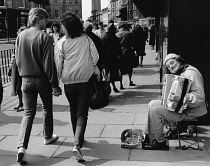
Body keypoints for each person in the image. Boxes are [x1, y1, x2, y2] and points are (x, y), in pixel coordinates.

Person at [15, 8, 62, 165]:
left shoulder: (20, 36)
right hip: (42, 80)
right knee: (47, 108)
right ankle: (47, 136)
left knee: (28, 113)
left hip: (25, 80)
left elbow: (17, 61)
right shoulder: (44, 36)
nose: (45, 23)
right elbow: (49, 64)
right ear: (39, 19)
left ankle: (21, 147)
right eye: (44, 20)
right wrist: (54, 84)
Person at [54, 12, 100, 161]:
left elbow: (58, 65)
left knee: (74, 111)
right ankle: (77, 143)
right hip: (85, 81)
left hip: (68, 82)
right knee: (82, 113)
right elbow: (96, 57)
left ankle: (78, 139)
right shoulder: (86, 39)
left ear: (66, 27)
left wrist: (57, 83)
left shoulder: (60, 43)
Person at [143, 53, 207, 150]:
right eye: (168, 66)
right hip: (182, 108)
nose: (171, 66)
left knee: (154, 110)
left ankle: (160, 142)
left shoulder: (190, 73)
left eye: (172, 63)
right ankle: (150, 134)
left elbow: (200, 97)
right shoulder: (182, 72)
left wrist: (182, 97)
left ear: (179, 61)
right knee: (152, 104)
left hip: (190, 112)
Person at [7, 26, 28, 112]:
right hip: (17, 65)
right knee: (18, 86)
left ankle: (26, 103)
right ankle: (20, 102)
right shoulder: (17, 42)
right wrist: (11, 66)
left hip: (26, 65)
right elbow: (14, 55)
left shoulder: (28, 43)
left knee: (25, 86)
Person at [102, 24, 122, 93]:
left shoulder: (104, 38)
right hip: (114, 58)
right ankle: (112, 86)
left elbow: (102, 49)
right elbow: (119, 49)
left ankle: (108, 87)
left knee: (107, 74)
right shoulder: (115, 39)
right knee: (113, 74)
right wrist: (120, 56)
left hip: (106, 59)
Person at [116, 22, 136, 89]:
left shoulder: (117, 34)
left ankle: (121, 84)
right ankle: (130, 81)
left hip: (120, 52)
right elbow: (133, 43)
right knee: (130, 67)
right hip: (129, 51)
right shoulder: (129, 34)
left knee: (120, 68)